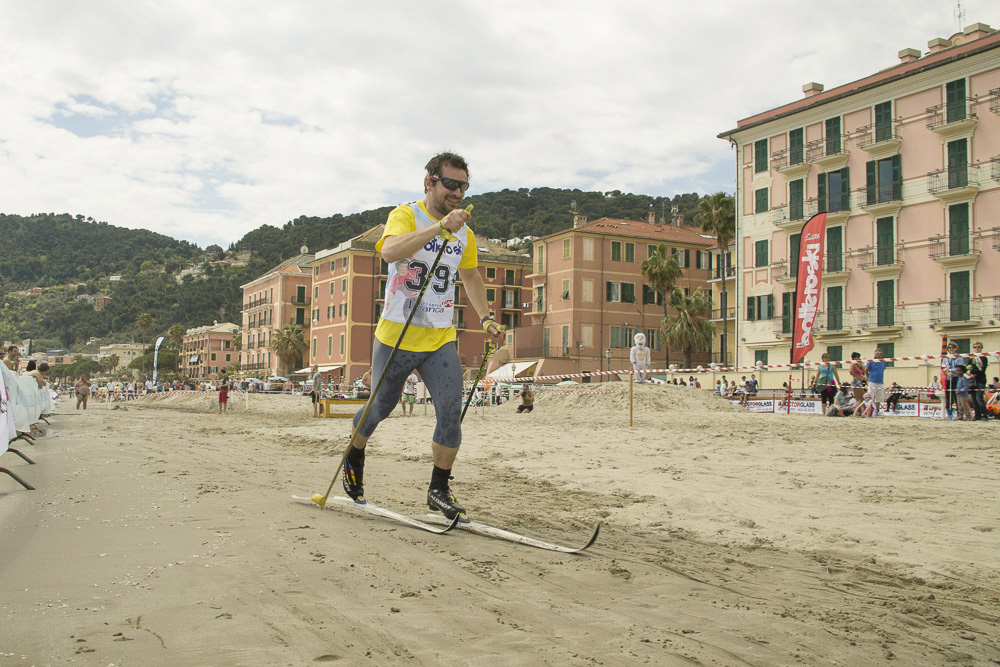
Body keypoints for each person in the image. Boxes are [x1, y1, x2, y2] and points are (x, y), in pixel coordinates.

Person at [344, 152, 505, 522]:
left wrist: (487, 318)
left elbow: (471, 277)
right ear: (429, 181)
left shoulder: (465, 233)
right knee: (380, 408)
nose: (458, 191)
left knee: (451, 412)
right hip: (396, 335)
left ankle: (439, 489)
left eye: (464, 185)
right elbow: (389, 251)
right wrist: (439, 227)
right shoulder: (407, 215)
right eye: (450, 183)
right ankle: (355, 453)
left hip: (439, 337)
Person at [967, 341, 989, 420]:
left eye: (978, 347)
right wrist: (969, 372)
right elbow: (968, 367)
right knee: (973, 399)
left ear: (981, 348)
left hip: (980, 380)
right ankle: (977, 415)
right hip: (972, 381)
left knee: (979, 398)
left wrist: (972, 371)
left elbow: (981, 370)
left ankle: (985, 414)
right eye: (975, 347)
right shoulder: (971, 358)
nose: (977, 348)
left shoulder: (984, 358)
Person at [942, 342, 962, 420]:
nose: (951, 349)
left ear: (956, 348)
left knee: (957, 397)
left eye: (953, 347)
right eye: (950, 348)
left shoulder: (959, 357)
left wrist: (951, 371)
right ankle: (949, 414)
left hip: (956, 378)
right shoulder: (945, 358)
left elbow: (959, 368)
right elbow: (943, 367)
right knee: (948, 397)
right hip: (948, 378)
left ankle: (959, 414)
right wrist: (947, 372)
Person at [865, 348, 888, 416]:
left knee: (879, 397)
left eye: (880, 354)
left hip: (880, 382)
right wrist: (868, 378)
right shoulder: (871, 361)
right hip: (872, 381)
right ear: (875, 354)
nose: (879, 355)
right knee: (870, 396)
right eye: (878, 353)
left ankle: (876, 410)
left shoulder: (883, 361)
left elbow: (883, 369)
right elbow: (866, 370)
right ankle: (869, 410)